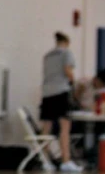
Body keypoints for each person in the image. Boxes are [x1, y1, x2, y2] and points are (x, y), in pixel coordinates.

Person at [40, 32, 82, 172]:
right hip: (61, 92)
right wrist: (73, 82)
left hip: (46, 93)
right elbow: (67, 70)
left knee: (46, 127)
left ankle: (45, 160)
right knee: (65, 127)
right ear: (66, 42)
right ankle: (66, 161)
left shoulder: (47, 56)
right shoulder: (66, 53)